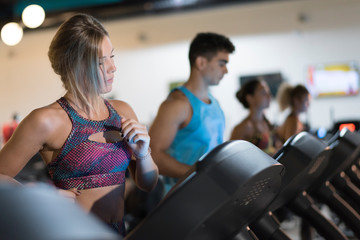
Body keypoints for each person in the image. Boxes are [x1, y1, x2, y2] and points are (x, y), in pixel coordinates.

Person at [0, 13, 158, 237]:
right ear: (77, 65)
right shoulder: (47, 120)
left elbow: (148, 184)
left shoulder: (121, 111)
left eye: (112, 56)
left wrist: (143, 154)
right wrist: (41, 194)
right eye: (102, 61)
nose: (113, 67)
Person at [149, 32, 235, 193]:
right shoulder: (177, 104)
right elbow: (153, 156)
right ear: (201, 62)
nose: (226, 71)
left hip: (212, 193)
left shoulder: (215, 104)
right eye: (221, 63)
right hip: (183, 199)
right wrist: (200, 174)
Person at [230, 78, 280, 156]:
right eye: (263, 92)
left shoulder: (267, 122)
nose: (269, 96)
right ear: (250, 98)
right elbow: (232, 157)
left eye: (268, 92)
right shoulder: (242, 128)